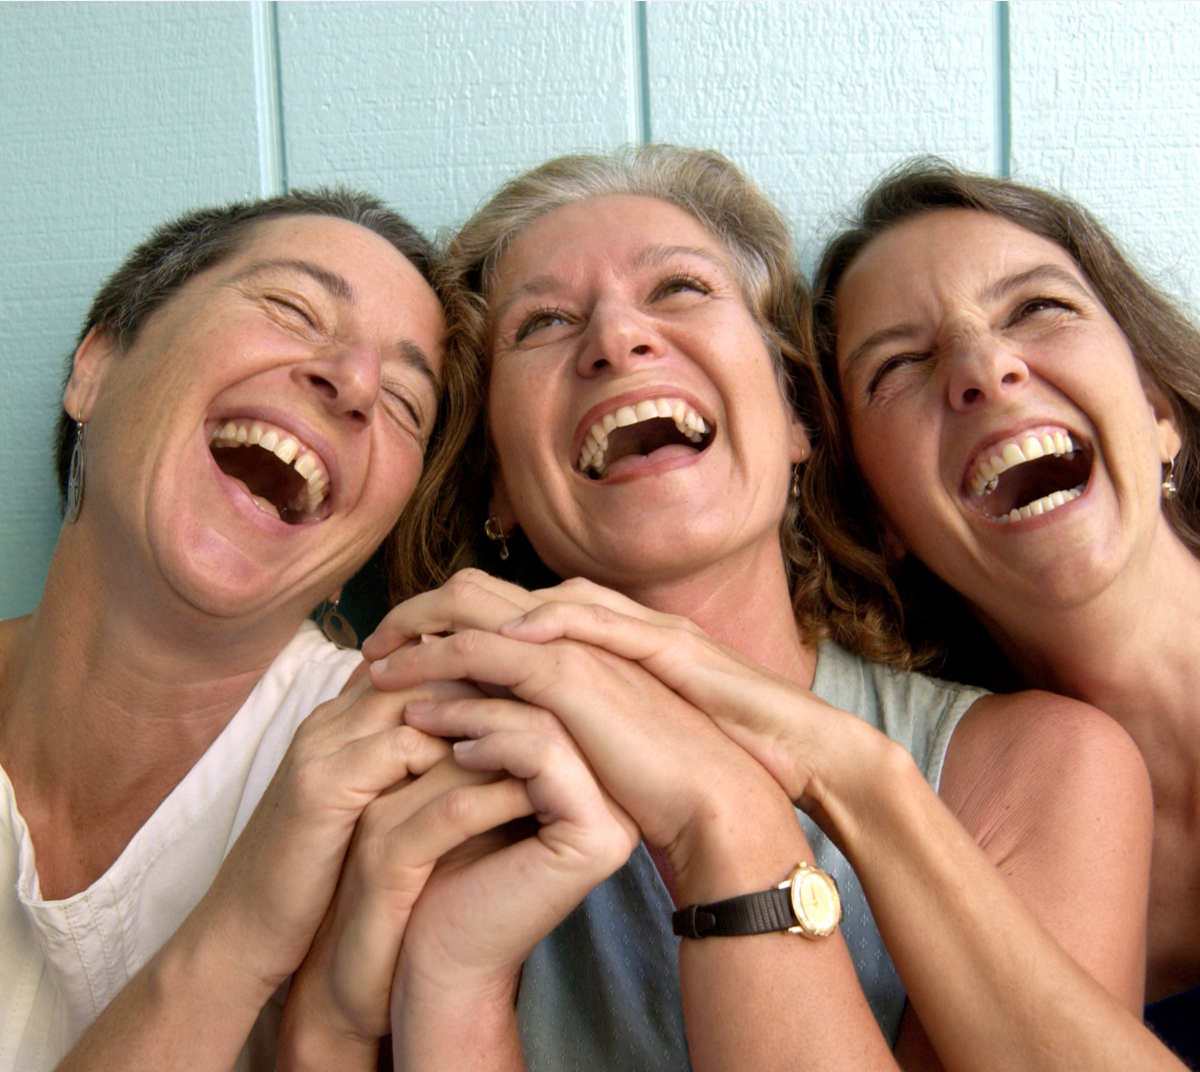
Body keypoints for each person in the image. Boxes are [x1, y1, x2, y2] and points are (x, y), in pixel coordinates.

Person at [325, 146, 1181, 1070]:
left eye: (682, 288)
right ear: (496, 486)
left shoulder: (1030, 767)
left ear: (798, 419)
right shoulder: (430, 792)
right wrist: (454, 989)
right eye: (545, 322)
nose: (616, 338)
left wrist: (723, 810)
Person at [0, 188, 497, 1072]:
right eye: (292, 308)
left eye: (406, 403)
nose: (352, 383)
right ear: (96, 365)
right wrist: (240, 934)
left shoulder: (409, 788)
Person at [811, 159, 1200, 1067]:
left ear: (1155, 408)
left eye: (1037, 308)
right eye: (899, 364)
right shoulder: (948, 831)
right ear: (882, 519)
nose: (985, 368)